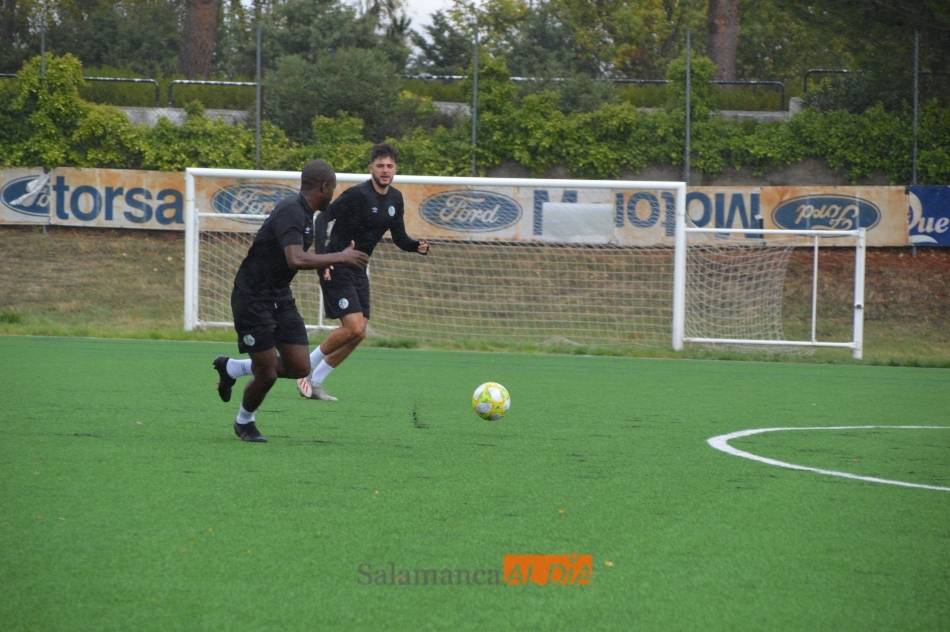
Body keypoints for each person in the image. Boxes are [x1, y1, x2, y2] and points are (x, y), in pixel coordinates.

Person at [212, 160, 370, 442]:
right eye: (333, 188)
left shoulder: (306, 214)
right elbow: (295, 258)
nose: (333, 193)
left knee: (300, 367)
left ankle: (232, 367)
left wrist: (327, 262)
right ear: (324, 187)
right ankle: (244, 421)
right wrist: (341, 257)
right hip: (252, 298)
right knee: (267, 374)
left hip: (279, 296)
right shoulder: (291, 211)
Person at [297, 143, 429, 402]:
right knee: (354, 326)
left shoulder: (395, 199)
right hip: (336, 265)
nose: (385, 170)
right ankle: (303, 368)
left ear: (395, 169)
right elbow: (322, 218)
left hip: (358, 270)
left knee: (359, 333)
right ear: (371, 168)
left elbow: (400, 238)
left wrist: (416, 246)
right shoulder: (357, 194)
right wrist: (323, 260)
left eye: (389, 166)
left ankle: (316, 382)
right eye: (380, 165)